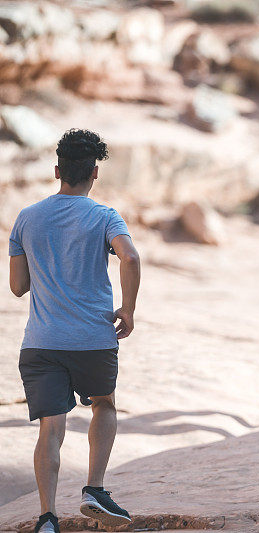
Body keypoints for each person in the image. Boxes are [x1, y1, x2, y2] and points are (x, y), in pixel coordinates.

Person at [9, 129, 141, 533]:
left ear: (56, 171)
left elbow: (18, 287)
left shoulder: (27, 217)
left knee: (52, 425)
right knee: (103, 405)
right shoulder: (104, 216)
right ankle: (94, 489)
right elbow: (130, 257)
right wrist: (128, 309)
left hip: (41, 342)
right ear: (94, 173)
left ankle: (47, 517)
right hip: (92, 339)